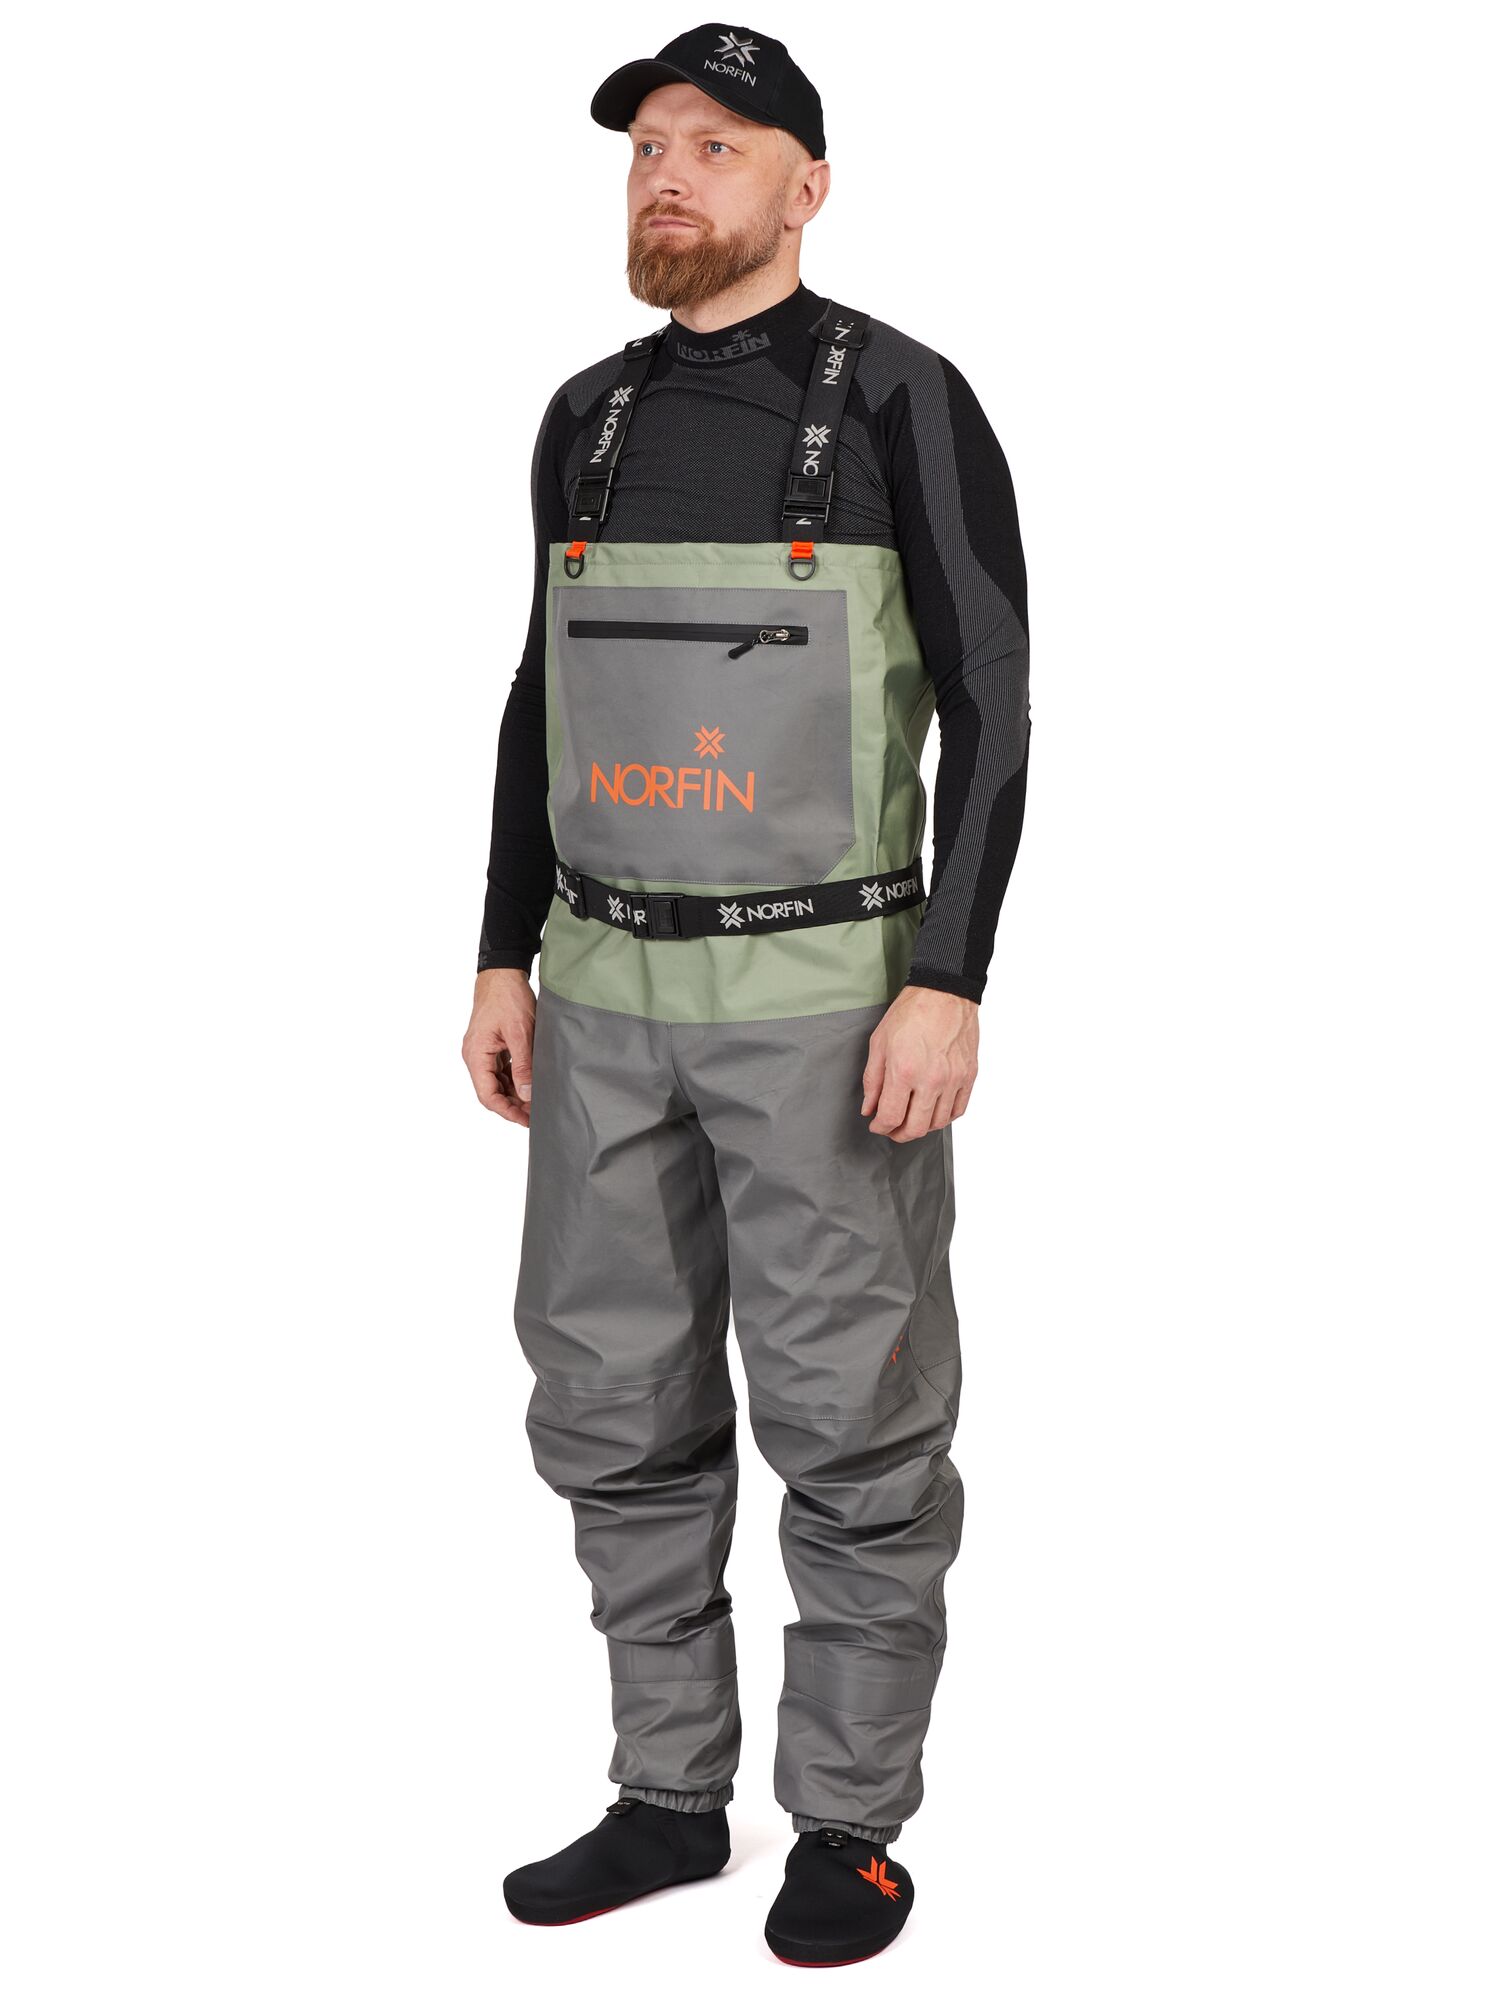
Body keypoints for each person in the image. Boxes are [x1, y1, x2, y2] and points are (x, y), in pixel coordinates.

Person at [462, 22, 1030, 1967]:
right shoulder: (584, 418)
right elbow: (541, 694)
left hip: (824, 1002)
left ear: (809, 185)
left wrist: (946, 979)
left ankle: (849, 1828)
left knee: (852, 1420)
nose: (667, 173)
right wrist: (500, 949)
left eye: (717, 143)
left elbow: (995, 702)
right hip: (601, 992)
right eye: (647, 145)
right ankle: (667, 1793)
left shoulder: (902, 398)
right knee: (608, 1400)